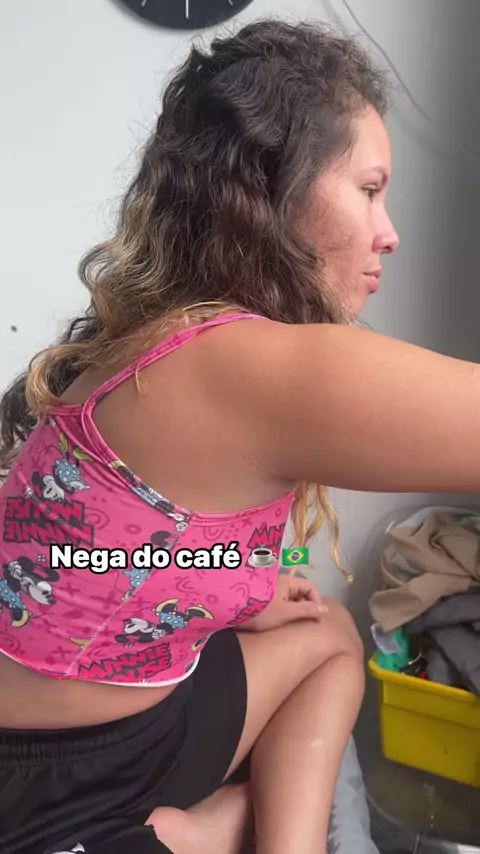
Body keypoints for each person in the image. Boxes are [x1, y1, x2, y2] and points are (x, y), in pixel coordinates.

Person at [0, 17, 478, 854]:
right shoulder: (242, 368)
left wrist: (246, 598)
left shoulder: (169, 341)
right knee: (201, 828)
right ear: (275, 193)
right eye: (369, 189)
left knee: (327, 635)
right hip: (50, 785)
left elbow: (118, 552)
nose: (390, 232)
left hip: (147, 722)